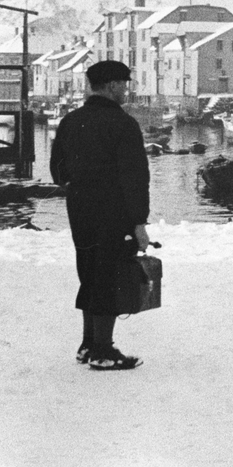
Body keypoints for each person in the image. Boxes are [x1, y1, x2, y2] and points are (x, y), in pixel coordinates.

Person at [50, 60, 151, 371]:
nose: (127, 89)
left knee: (89, 273)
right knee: (108, 275)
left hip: (79, 211)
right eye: (124, 84)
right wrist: (139, 223)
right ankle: (103, 351)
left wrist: (79, 188)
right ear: (111, 86)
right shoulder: (123, 125)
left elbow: (58, 170)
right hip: (113, 213)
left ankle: (87, 344)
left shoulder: (70, 121)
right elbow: (135, 178)